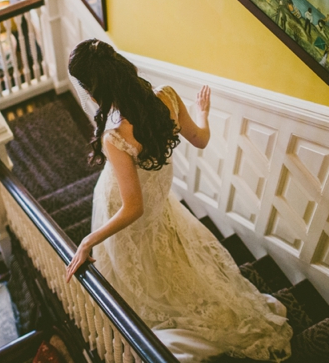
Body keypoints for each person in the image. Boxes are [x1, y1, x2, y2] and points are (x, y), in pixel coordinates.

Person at [66, 40, 292, 362]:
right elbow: (201, 139)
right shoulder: (168, 97)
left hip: (130, 213)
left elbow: (133, 207)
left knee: (148, 278)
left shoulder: (115, 137)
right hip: (159, 206)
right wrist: (204, 113)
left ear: (93, 90)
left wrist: (89, 240)